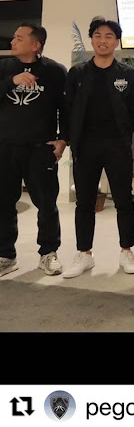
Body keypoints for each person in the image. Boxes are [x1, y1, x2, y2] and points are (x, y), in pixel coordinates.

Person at [63, 17, 134, 278]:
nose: (103, 40)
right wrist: (68, 138)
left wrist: (124, 133)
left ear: (116, 41)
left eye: (109, 36)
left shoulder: (127, 74)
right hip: (85, 147)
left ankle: (126, 251)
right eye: (98, 35)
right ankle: (84, 254)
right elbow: (67, 109)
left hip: (117, 146)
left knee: (123, 200)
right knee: (84, 203)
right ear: (92, 39)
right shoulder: (77, 73)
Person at [0, 24, 68, 277]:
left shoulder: (54, 71)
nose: (13, 42)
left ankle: (48, 253)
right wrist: (11, 82)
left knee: (46, 203)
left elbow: (66, 107)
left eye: (19, 38)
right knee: (3, 202)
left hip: (40, 149)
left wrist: (64, 139)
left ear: (36, 45)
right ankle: (6, 255)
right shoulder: (4, 68)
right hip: (5, 147)